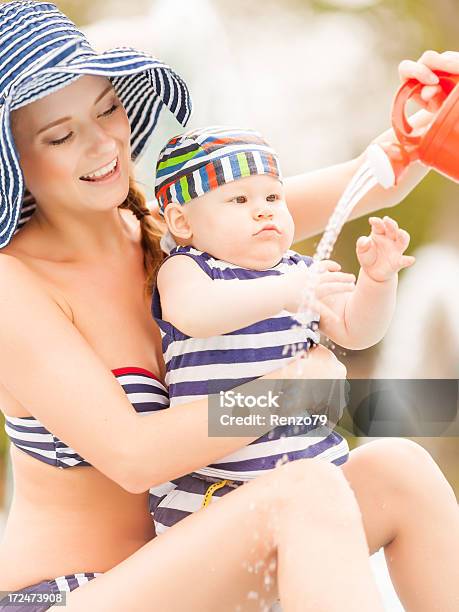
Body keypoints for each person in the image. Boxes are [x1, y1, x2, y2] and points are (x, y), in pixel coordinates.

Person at [0, 2, 458, 610]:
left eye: (107, 107)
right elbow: (134, 458)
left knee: (399, 467)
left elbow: (368, 180)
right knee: (304, 492)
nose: (103, 143)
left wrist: (429, 117)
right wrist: (292, 390)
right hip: (71, 596)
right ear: (13, 163)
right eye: (61, 135)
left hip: (202, 564)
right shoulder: (16, 285)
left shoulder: (175, 232)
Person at [149, 125, 415, 534]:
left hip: (315, 477)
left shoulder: (298, 270)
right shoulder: (187, 269)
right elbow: (196, 314)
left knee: (399, 473)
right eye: (239, 199)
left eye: (273, 197)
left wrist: (377, 283)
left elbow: (356, 330)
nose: (263, 210)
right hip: (219, 490)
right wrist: (285, 292)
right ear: (182, 221)